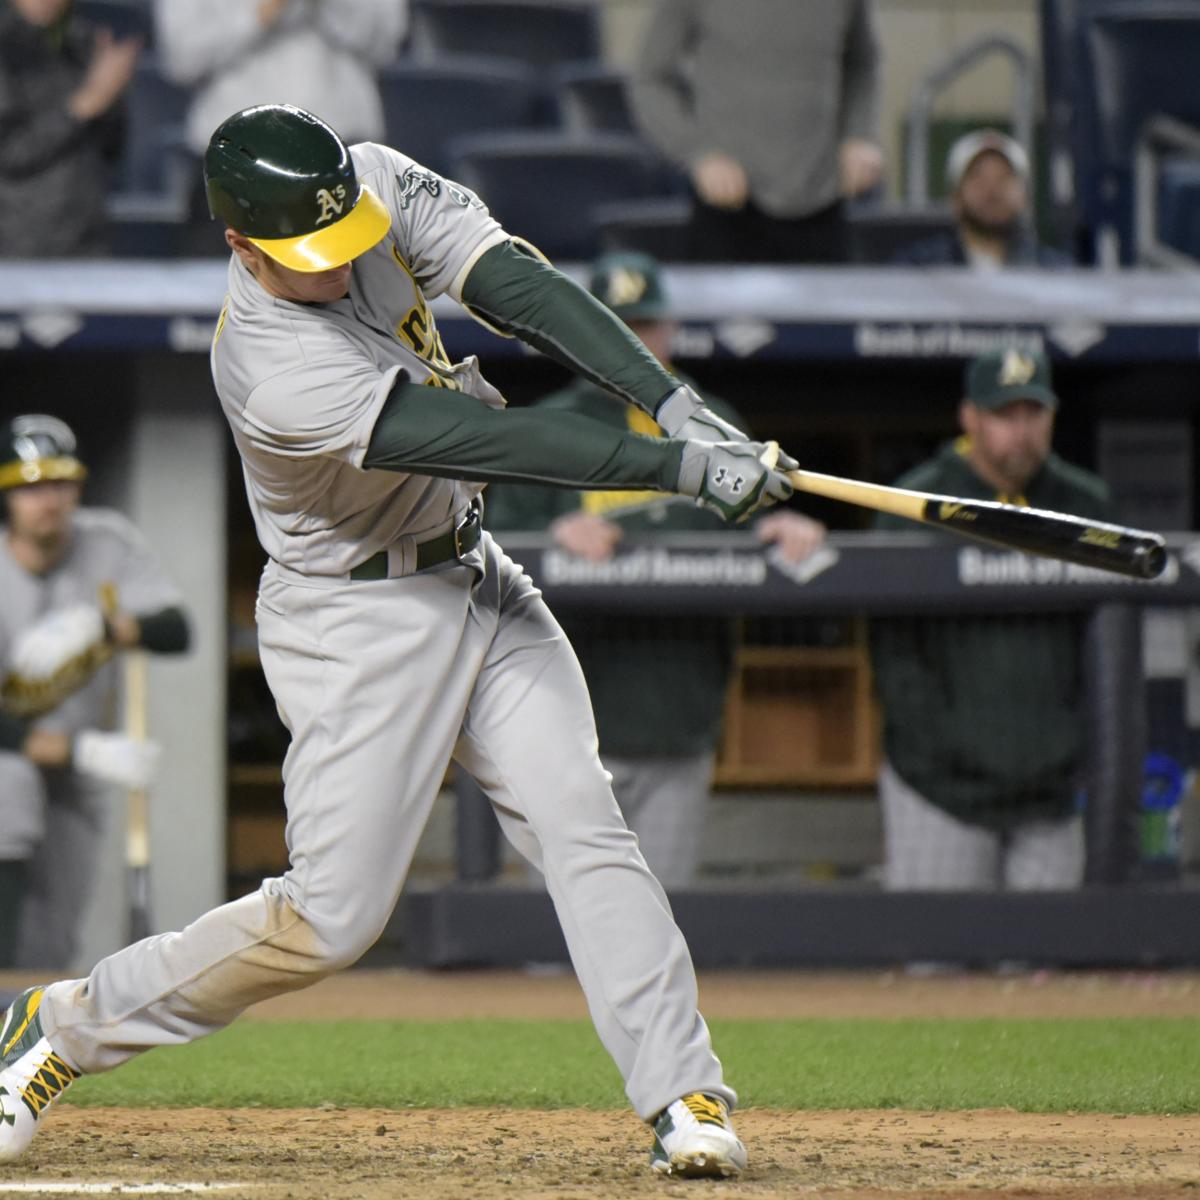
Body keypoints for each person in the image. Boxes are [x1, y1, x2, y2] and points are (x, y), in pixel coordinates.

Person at [0, 103, 800, 1178]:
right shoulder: (271, 366)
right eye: (307, 255)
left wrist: (669, 401)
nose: (340, 266)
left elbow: (519, 286)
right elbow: (488, 437)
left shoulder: (369, 182)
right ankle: (59, 1024)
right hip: (356, 622)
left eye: (343, 237)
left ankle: (683, 1094)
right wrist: (675, 467)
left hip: (475, 571)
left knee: (584, 824)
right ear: (241, 244)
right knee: (330, 921)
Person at [487, 250, 826, 887]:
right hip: (566, 727)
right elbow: (489, 552)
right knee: (557, 931)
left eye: (644, 327)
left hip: (680, 717)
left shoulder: (717, 425)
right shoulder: (549, 425)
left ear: (669, 332)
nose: (632, 342)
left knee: (659, 923)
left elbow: (753, 523)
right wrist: (551, 535)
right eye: (614, 326)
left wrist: (781, 527)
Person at [869, 347, 1115, 890]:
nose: (1021, 431)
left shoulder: (1084, 503)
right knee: (935, 964)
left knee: (1046, 970)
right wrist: (940, 751)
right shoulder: (915, 504)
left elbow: (1105, 648)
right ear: (970, 417)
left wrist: (1068, 747)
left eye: (1034, 414)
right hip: (939, 791)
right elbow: (894, 658)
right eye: (1005, 415)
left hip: (1049, 796)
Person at [0, 414, 191, 971]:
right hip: (15, 753)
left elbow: (177, 630)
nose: (48, 500)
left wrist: (108, 626)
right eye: (32, 487)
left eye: (59, 483)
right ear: (9, 494)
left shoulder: (106, 542)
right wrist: (77, 749)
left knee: (55, 939)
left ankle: (22, 1035)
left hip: (83, 763)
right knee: (8, 794)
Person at [628, 0, 884, 264]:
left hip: (820, 199)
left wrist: (860, 133)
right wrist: (699, 154)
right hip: (728, 206)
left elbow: (861, 63)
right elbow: (651, 79)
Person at [154, 0, 407, 158]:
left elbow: (387, 44)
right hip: (237, 153)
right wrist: (263, 13)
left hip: (343, 148)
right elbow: (181, 58)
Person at [0, 0, 142, 257]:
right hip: (18, 244)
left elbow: (112, 146)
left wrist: (112, 95)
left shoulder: (84, 38)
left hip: (87, 236)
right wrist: (84, 105)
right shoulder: (6, 45)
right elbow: (10, 151)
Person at [891, 129, 1072, 268]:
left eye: (1004, 178)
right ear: (955, 198)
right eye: (978, 178)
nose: (992, 190)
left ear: (1024, 197)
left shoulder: (1052, 270)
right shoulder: (919, 267)